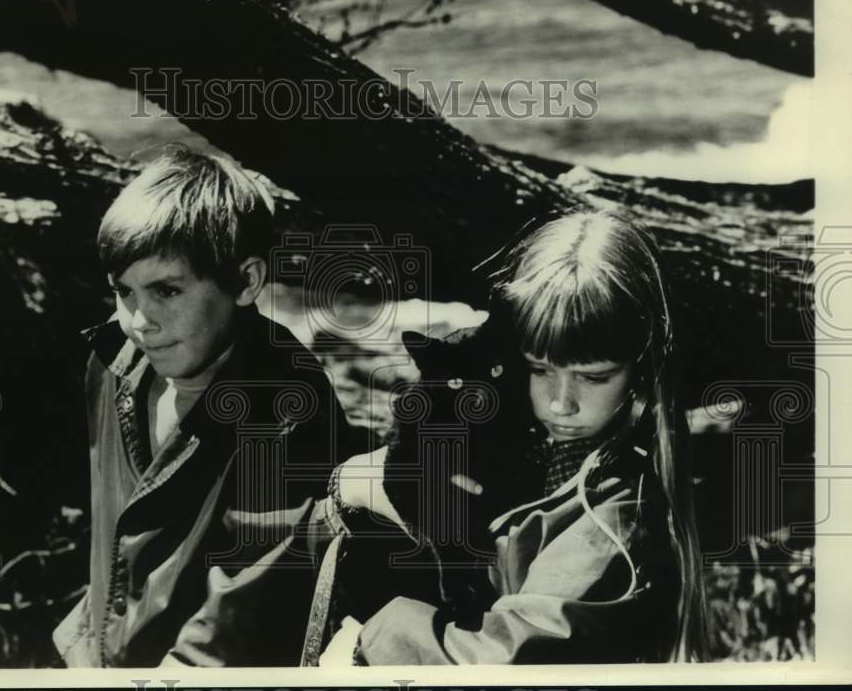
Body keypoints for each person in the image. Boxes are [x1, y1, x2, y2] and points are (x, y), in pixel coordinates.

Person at [315, 208, 711, 664]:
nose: (561, 402)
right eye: (540, 369)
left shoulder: (616, 519)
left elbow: (507, 659)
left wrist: (370, 640)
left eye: (594, 377)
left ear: (643, 368)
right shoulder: (532, 450)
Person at [51, 148, 349, 667]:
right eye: (124, 292)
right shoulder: (111, 361)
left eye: (167, 290)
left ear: (246, 281)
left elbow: (242, 618)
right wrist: (84, 643)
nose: (139, 322)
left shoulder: (287, 410)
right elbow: (110, 538)